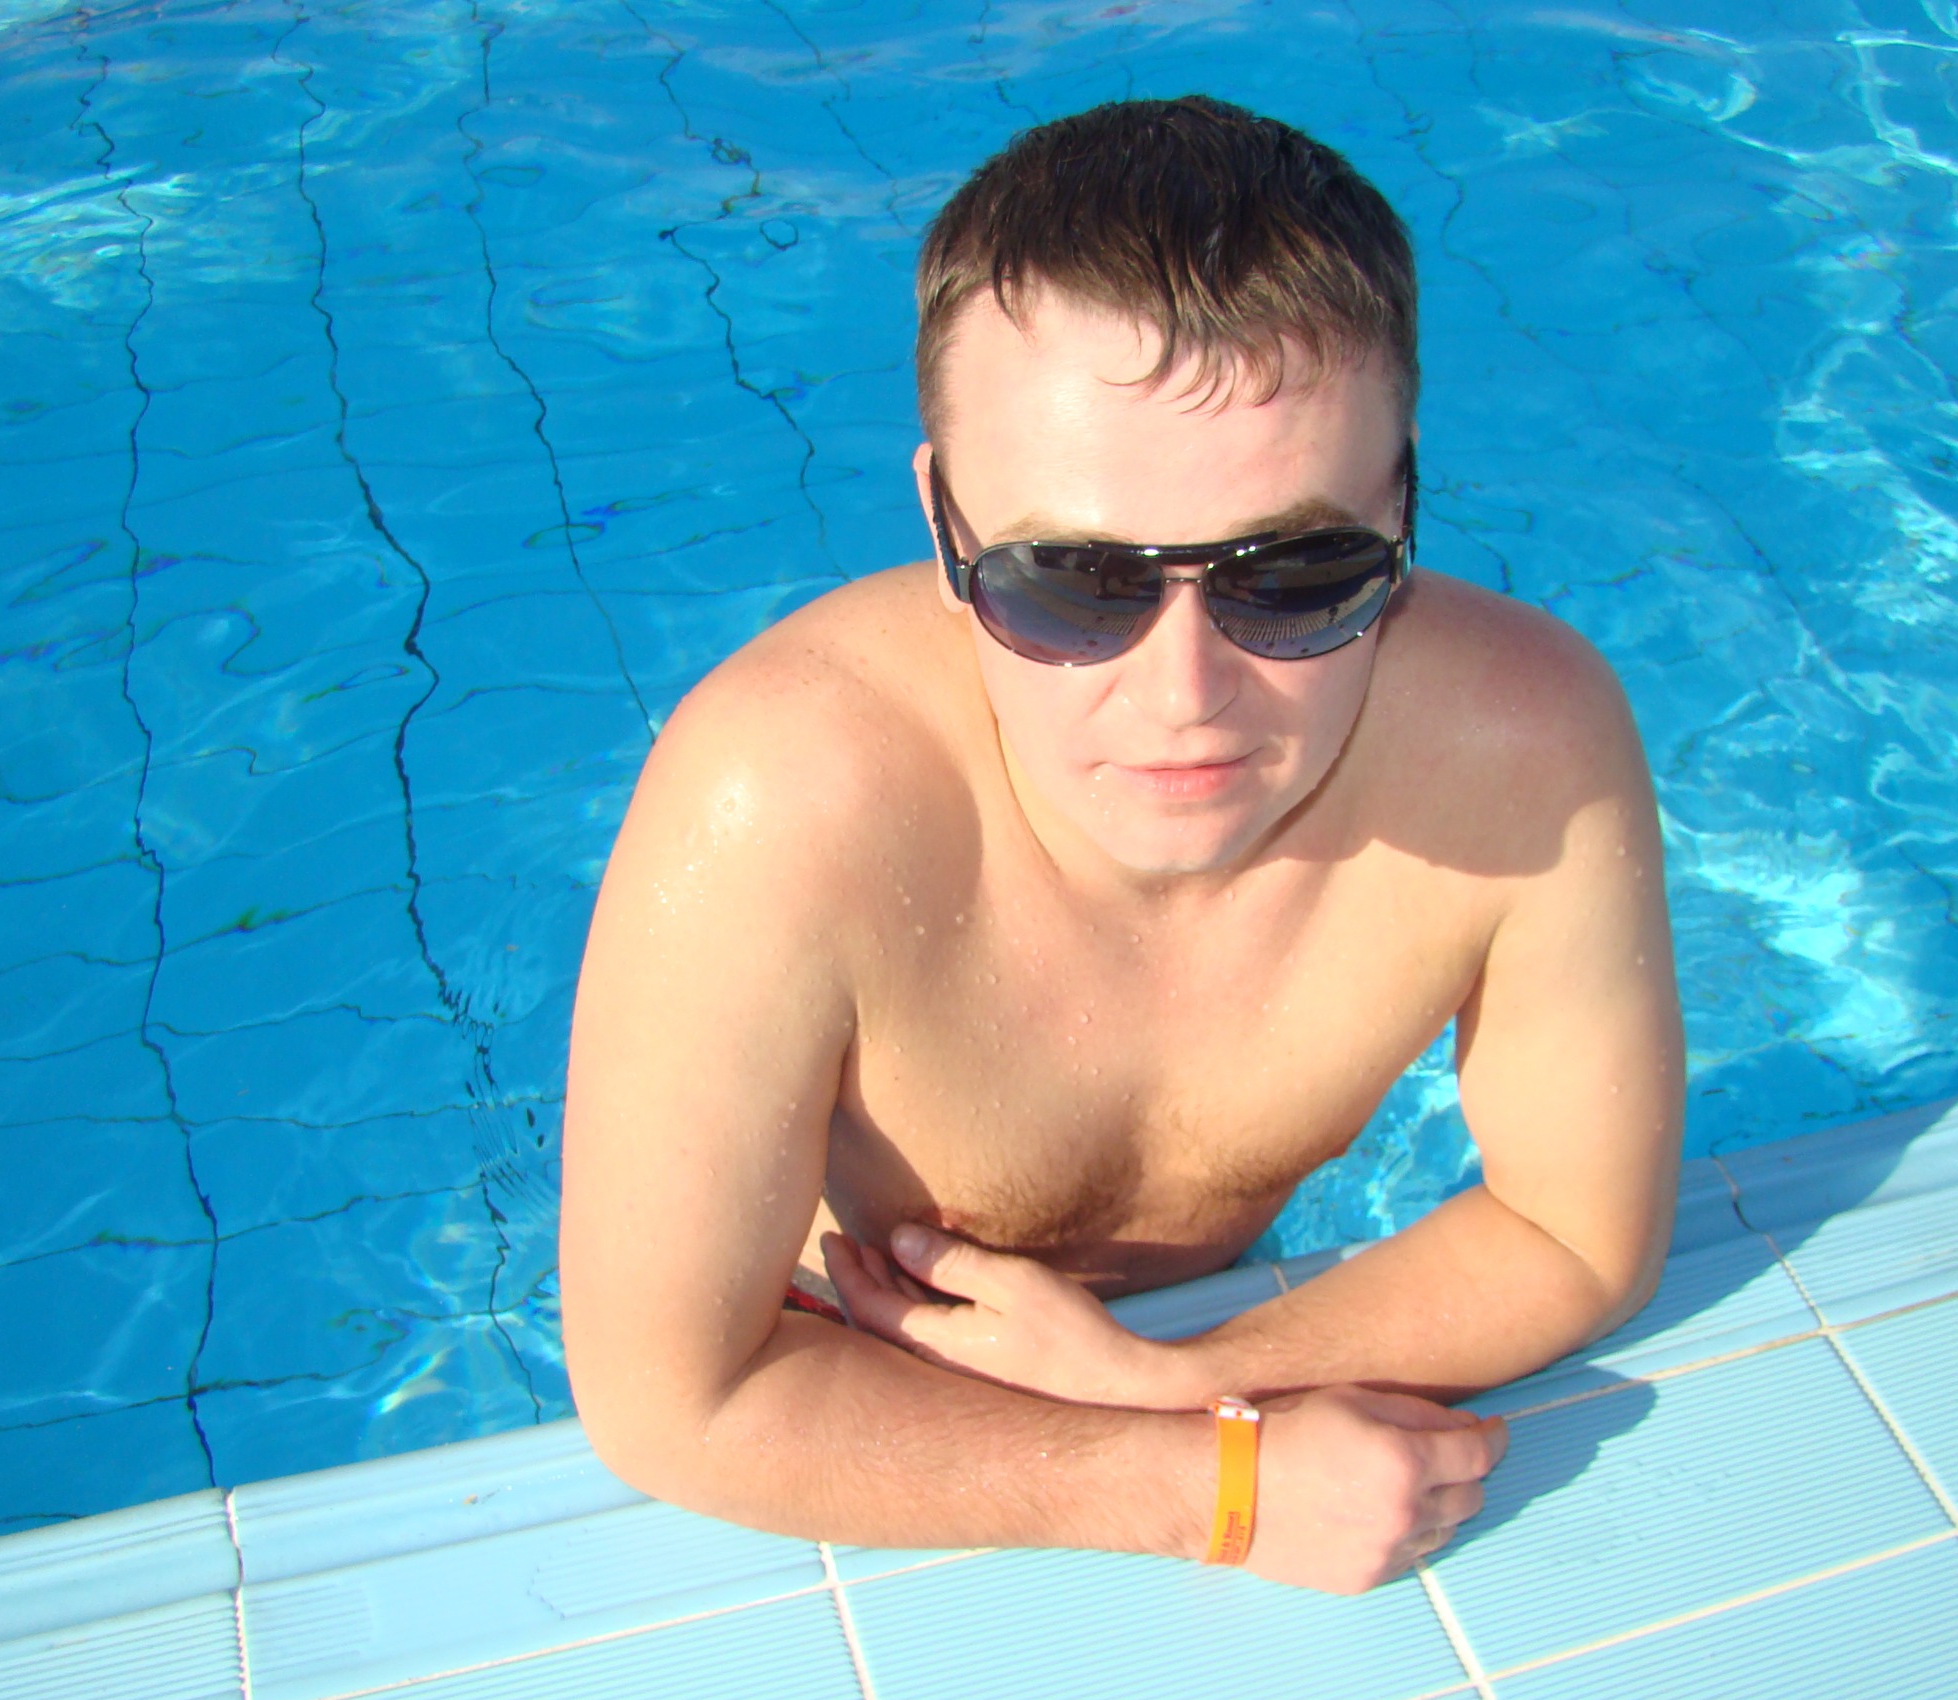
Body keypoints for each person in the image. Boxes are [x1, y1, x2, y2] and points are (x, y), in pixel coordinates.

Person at [559, 96, 1682, 1594]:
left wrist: (1178, 1379)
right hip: (855, 1385)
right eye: (1074, 583)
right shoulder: (786, 802)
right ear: (945, 528)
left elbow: (1577, 1231)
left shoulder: (1525, 753)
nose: (1184, 694)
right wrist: (1209, 1487)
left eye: (1296, 573)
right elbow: (673, 1399)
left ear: (1405, 507)